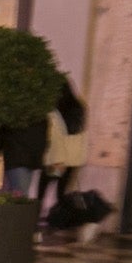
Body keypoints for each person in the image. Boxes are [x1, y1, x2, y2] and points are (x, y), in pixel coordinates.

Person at [37, 75, 87, 221]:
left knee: (43, 189)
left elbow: (53, 134)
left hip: (57, 158)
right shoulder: (80, 107)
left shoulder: (54, 110)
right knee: (61, 192)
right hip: (72, 159)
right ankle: (64, 221)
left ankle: (35, 219)